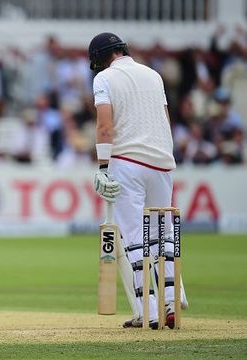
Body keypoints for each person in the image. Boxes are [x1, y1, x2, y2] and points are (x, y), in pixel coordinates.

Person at [89, 33, 188, 329]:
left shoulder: (104, 79)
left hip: (127, 162)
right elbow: (164, 119)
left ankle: (150, 312)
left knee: (134, 237)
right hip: (162, 162)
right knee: (163, 234)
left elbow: (105, 125)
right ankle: (172, 302)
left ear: (99, 57)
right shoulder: (153, 75)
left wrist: (103, 166)